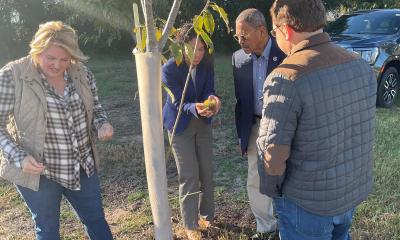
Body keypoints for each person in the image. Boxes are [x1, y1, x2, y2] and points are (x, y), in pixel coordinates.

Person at [256, 0, 376, 239]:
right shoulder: (360, 65)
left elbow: (272, 149)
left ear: (286, 30)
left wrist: (273, 191)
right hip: (349, 190)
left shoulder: (286, 76)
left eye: (274, 32)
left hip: (306, 202)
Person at [0, 21, 114, 240]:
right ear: (37, 49)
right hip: (38, 172)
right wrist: (19, 157)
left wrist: (102, 124)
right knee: (48, 230)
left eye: (64, 59)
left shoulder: (82, 73)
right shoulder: (12, 76)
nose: (57, 65)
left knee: (96, 220)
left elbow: (96, 110)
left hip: (82, 166)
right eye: (50, 58)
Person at [162, 24, 221, 240]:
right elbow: (178, 102)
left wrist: (213, 100)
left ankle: (207, 216)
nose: (197, 54)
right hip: (180, 125)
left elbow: (209, 90)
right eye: (192, 48)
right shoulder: (169, 68)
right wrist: (195, 107)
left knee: (206, 171)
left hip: (203, 123)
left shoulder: (206, 66)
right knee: (189, 175)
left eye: (202, 49)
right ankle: (190, 224)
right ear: (181, 46)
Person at [232, 8, 285, 239]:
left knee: (285, 175)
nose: (240, 41)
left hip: (282, 127)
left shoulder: (286, 53)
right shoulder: (238, 59)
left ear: (262, 31)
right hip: (254, 126)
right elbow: (240, 102)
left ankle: (287, 224)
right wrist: (242, 137)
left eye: (244, 35)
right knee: (255, 178)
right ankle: (266, 228)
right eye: (237, 37)